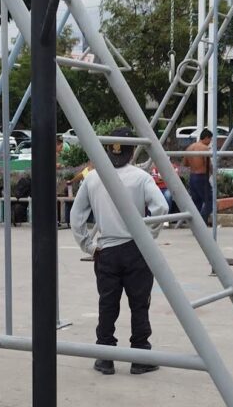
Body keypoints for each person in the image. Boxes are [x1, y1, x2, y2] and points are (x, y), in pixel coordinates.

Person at [70, 127, 168, 375]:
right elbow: (161, 208)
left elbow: (76, 216)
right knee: (139, 305)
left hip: (107, 251)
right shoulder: (141, 177)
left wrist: (89, 246)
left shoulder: (93, 178)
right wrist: (149, 236)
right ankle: (139, 356)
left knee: (107, 305)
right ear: (131, 150)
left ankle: (105, 356)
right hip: (137, 250)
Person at [183, 128, 213, 226]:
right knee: (210, 201)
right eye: (210, 140)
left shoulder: (189, 148)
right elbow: (207, 163)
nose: (210, 143)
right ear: (207, 138)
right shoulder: (204, 148)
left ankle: (195, 225)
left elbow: (185, 163)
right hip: (201, 177)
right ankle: (201, 223)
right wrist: (213, 173)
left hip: (192, 176)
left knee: (197, 202)